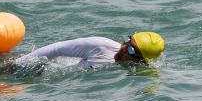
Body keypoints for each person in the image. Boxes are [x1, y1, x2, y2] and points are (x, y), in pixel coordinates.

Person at [12, 32, 166, 70]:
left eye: (132, 50)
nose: (124, 48)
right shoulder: (99, 46)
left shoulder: (136, 70)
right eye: (127, 41)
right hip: (42, 67)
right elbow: (56, 48)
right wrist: (17, 65)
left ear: (140, 61)